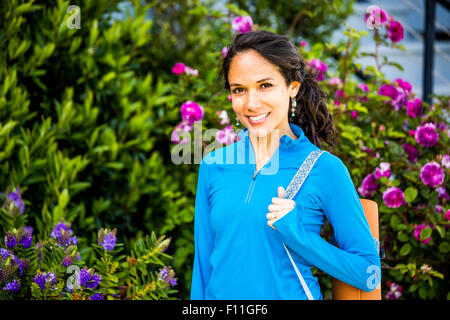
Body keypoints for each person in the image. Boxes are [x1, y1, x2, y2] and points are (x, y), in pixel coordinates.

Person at [190, 30, 381, 300]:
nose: (252, 103)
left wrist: (299, 235)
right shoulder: (214, 164)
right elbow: (203, 271)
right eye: (239, 90)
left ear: (293, 86)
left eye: (265, 85)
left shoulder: (325, 169)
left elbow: (369, 272)